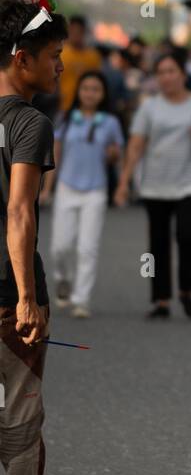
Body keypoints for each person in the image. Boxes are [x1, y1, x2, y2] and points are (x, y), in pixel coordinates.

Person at [0, 0, 73, 475]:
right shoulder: (30, 123)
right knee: (22, 409)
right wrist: (27, 296)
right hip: (9, 289)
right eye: (53, 56)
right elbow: (20, 210)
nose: (60, 67)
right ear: (20, 59)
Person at [115, 47, 191, 319]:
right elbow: (136, 145)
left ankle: (186, 291)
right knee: (158, 243)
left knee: (186, 235)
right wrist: (123, 182)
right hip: (155, 185)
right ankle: (161, 299)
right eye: (161, 73)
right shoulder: (149, 107)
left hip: (190, 183)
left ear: (182, 74)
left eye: (171, 71)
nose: (166, 77)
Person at [42, 70, 124, 319]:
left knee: (87, 248)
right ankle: (62, 278)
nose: (90, 93)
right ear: (78, 91)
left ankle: (81, 300)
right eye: (86, 88)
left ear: (103, 94)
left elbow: (116, 154)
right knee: (60, 247)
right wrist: (47, 189)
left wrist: (112, 155)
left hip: (96, 190)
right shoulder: (66, 118)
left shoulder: (110, 122)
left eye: (95, 89)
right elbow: (54, 156)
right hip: (67, 187)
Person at [57, 14, 102, 115]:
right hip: (62, 106)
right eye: (73, 31)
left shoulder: (93, 57)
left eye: (79, 31)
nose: (76, 35)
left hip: (85, 109)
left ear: (84, 32)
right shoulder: (60, 52)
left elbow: (97, 82)